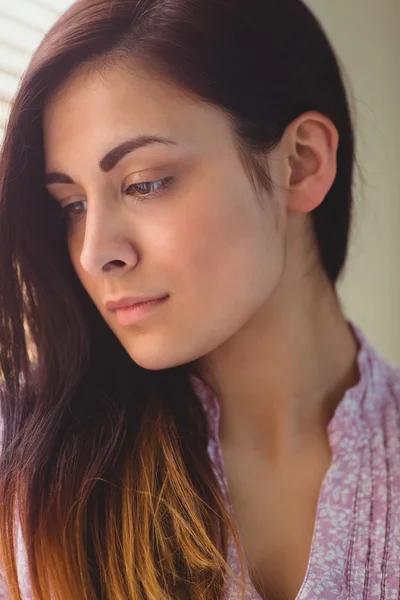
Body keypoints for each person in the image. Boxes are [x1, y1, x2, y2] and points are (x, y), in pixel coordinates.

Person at [0, 0, 399, 598]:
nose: (94, 253)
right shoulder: (21, 459)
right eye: (73, 206)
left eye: (145, 183)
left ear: (301, 163)